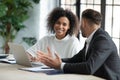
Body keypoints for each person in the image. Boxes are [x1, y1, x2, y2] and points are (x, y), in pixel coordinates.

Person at [36, 9, 120, 80]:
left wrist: (60, 65)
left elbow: (89, 68)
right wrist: (53, 61)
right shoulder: (93, 39)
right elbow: (75, 59)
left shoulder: (102, 40)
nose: (79, 27)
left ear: (83, 23)